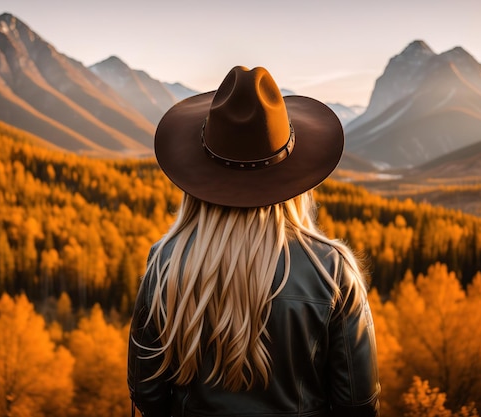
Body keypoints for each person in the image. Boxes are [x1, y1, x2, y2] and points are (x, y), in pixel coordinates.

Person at [128, 66, 380, 417]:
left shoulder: (165, 261)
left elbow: (147, 392)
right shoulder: (332, 270)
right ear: (294, 179)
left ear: (198, 176)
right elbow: (357, 404)